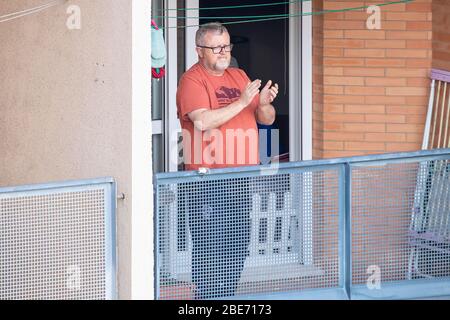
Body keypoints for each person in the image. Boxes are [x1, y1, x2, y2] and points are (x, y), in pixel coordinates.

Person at [176, 22, 279, 299]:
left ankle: (227, 296)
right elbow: (202, 121)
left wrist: (265, 102)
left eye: (227, 46)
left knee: (237, 243)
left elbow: (265, 120)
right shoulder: (192, 80)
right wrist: (243, 102)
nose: (224, 52)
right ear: (200, 51)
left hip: (239, 177)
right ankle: (207, 298)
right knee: (211, 246)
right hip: (207, 179)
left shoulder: (239, 75)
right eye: (217, 47)